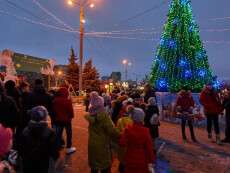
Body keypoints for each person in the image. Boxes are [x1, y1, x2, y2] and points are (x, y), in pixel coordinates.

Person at [85, 91, 120, 173]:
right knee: (105, 167)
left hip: (92, 143)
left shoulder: (90, 115)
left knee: (94, 167)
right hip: (103, 144)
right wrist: (119, 135)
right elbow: (111, 130)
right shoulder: (104, 116)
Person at [18, 106, 59, 173]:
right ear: (45, 117)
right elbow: (55, 153)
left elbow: (21, 150)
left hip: (28, 165)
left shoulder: (25, 131)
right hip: (44, 165)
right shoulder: (50, 132)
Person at [119, 107, 156, 173]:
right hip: (142, 160)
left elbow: (122, 143)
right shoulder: (146, 131)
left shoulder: (128, 129)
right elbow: (149, 148)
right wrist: (151, 161)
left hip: (130, 158)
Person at [52, 87, 76, 154]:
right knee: (69, 134)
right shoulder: (67, 101)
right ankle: (68, 148)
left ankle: (57, 146)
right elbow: (71, 111)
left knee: (58, 134)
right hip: (67, 120)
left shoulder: (55, 100)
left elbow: (53, 111)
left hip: (58, 120)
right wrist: (71, 116)